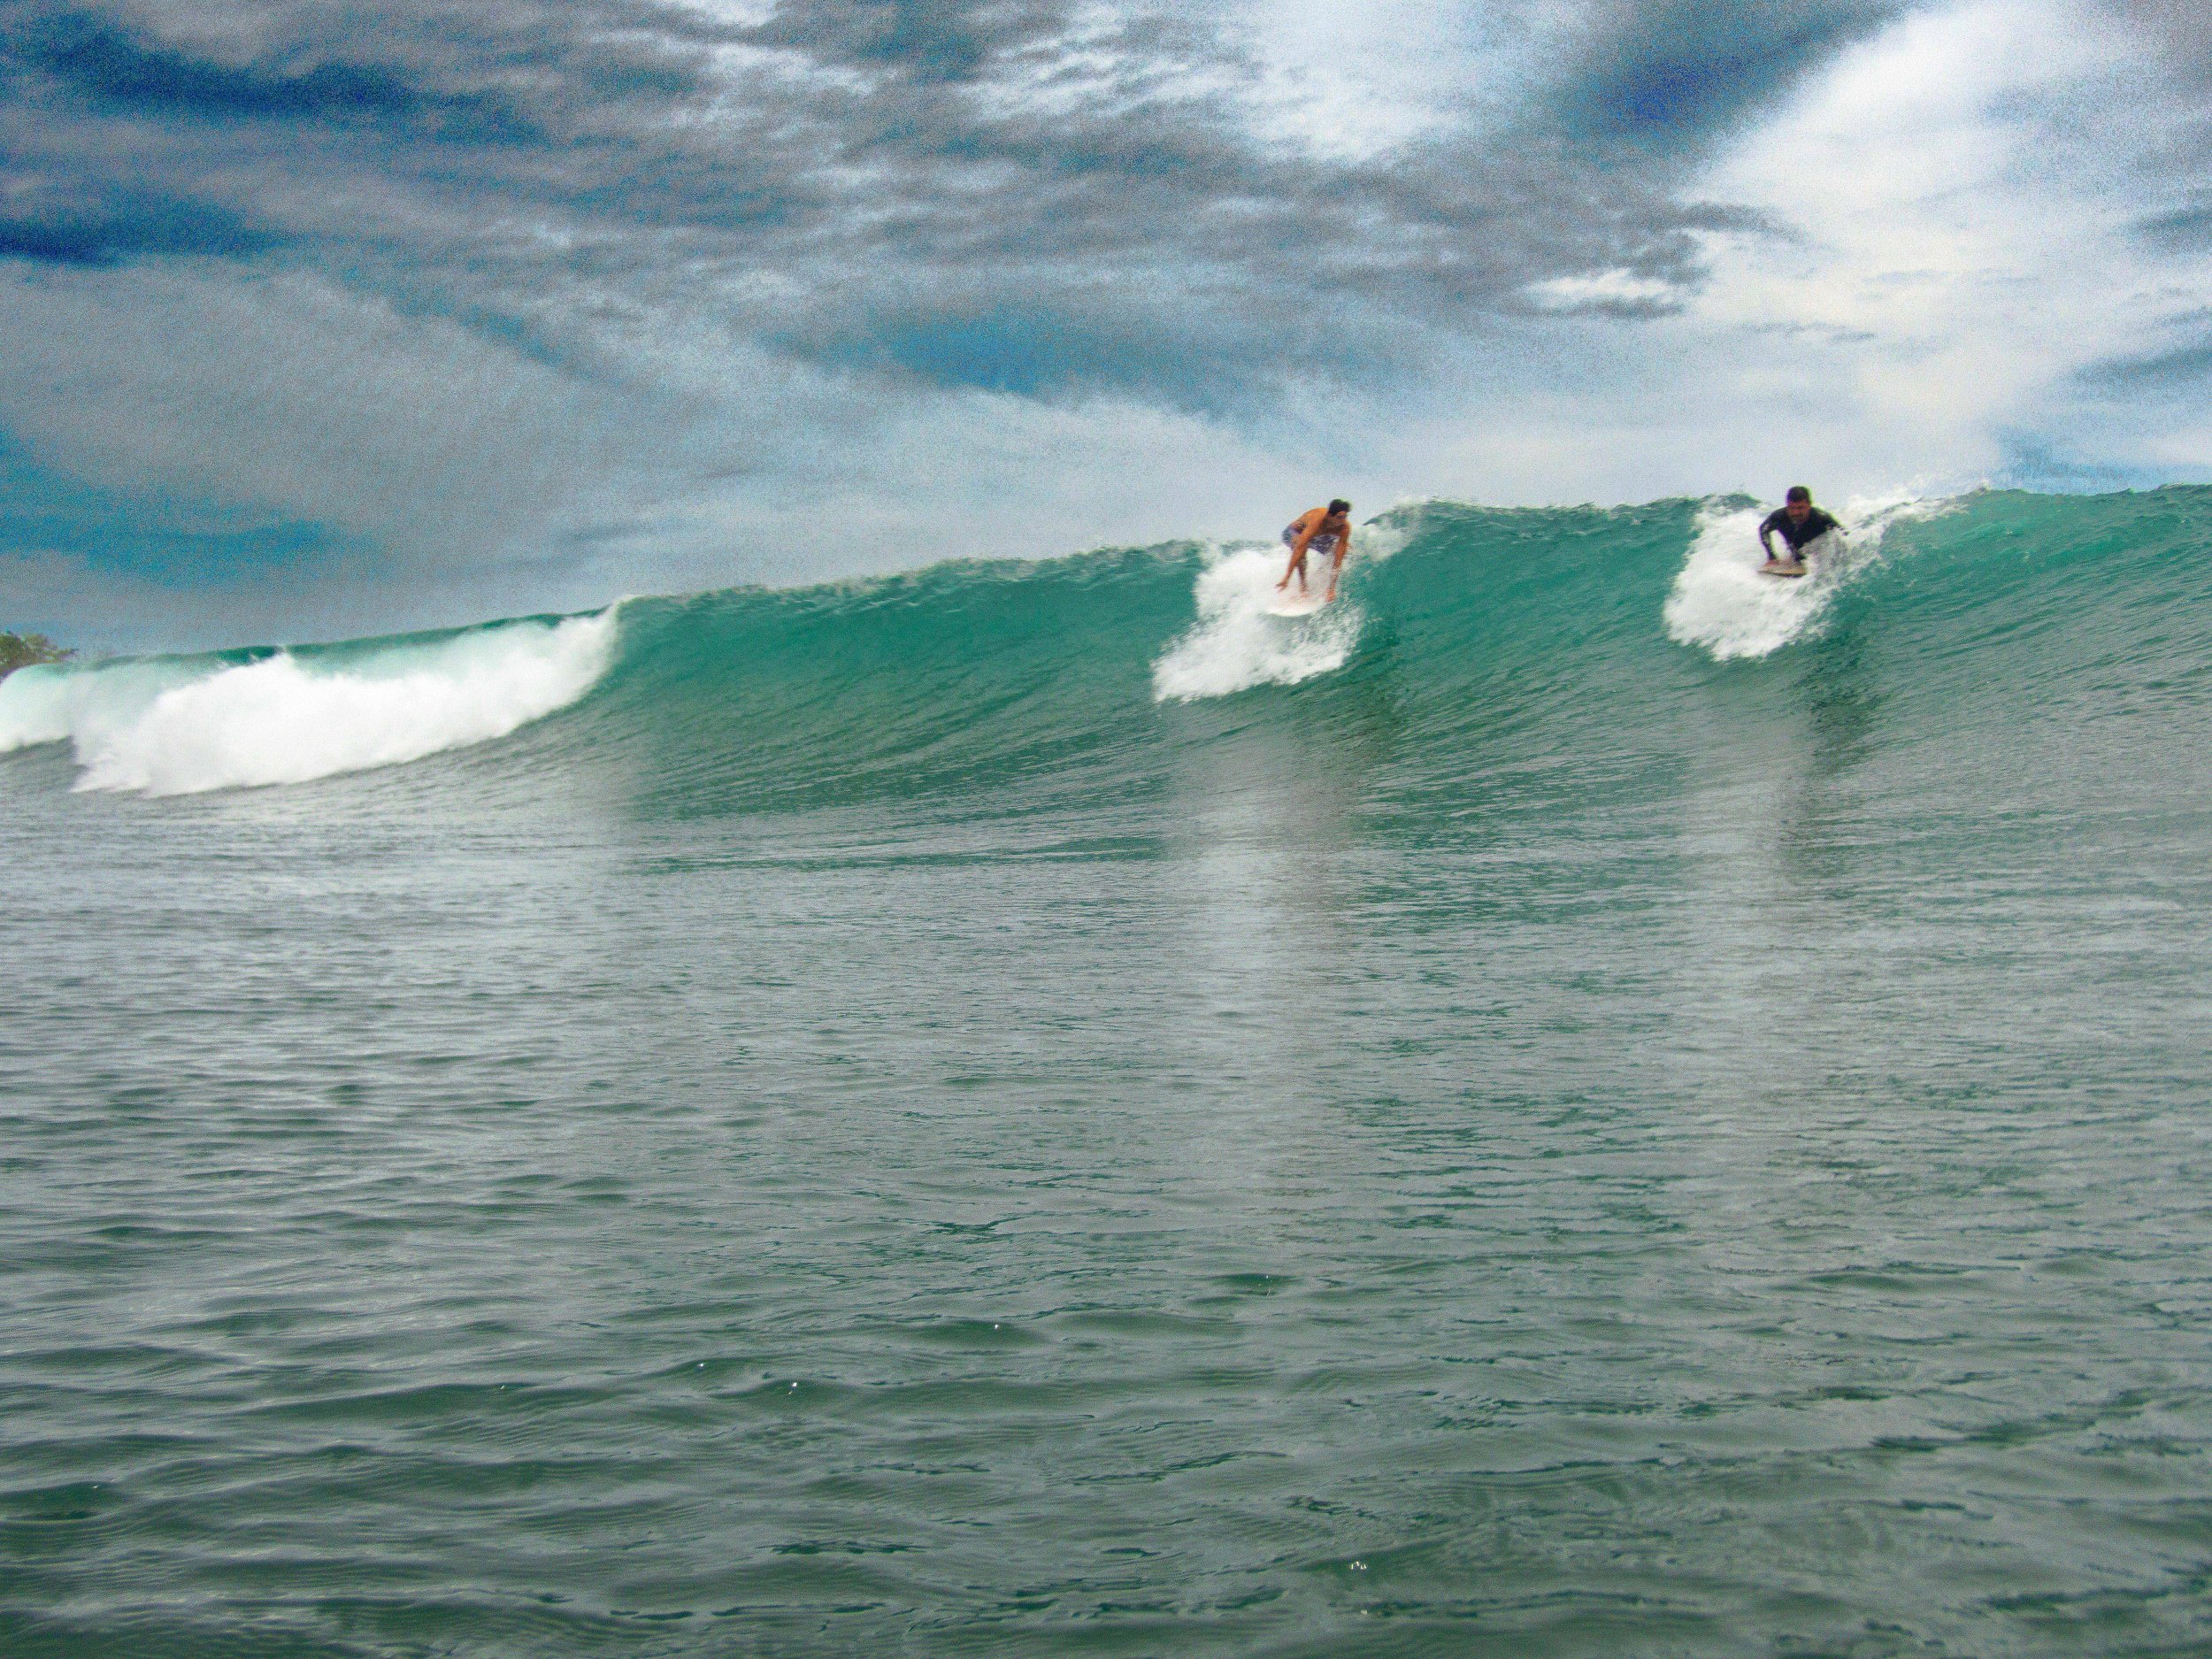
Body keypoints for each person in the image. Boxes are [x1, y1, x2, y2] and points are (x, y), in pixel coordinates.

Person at [1278, 499, 1353, 601]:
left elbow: (1338, 560)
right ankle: (1303, 588)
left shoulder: (1344, 528)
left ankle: (1320, 574)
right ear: (1329, 516)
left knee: (1345, 551)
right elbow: (1300, 547)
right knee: (1300, 545)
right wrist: (1287, 577)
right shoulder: (1317, 521)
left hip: (1318, 537)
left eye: (1345, 517)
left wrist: (1332, 588)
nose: (1343, 521)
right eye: (1339, 517)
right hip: (1293, 532)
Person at [1758, 486, 1841, 572]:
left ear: (1809, 505)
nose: (1795, 513)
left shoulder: (1822, 518)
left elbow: (1842, 535)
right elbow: (1763, 530)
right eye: (1792, 508)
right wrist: (1772, 557)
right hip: (1797, 557)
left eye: (1800, 508)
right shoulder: (1779, 517)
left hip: (1820, 556)